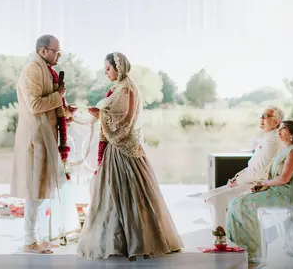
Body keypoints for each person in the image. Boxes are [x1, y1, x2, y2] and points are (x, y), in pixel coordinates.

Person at [77, 52, 183, 261]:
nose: (105, 72)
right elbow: (115, 115)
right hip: (116, 148)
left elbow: (123, 120)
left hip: (123, 149)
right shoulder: (119, 87)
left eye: (108, 68)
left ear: (119, 67)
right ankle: (115, 240)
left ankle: (134, 240)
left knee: (126, 194)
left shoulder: (126, 88)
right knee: (112, 195)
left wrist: (101, 115)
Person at [10, 35, 79, 254]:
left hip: (45, 137)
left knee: (40, 190)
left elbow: (48, 105)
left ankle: (35, 237)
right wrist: (59, 96)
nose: (59, 54)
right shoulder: (33, 69)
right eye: (56, 51)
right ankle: (30, 241)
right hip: (35, 139)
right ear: (42, 51)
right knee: (34, 190)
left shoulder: (45, 69)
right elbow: (35, 104)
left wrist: (65, 113)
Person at [226, 120, 293, 263]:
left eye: (283, 128)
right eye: (279, 128)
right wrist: (260, 184)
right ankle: (237, 247)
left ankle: (252, 250)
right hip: (274, 190)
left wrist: (263, 183)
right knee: (234, 202)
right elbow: (271, 175)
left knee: (243, 204)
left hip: (285, 195)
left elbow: (284, 179)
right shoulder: (284, 150)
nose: (279, 130)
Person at [202, 106, 283, 228]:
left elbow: (260, 172)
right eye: (261, 116)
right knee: (208, 195)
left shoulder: (272, 141)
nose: (261, 119)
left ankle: (222, 239)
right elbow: (252, 166)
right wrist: (237, 178)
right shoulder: (267, 138)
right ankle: (223, 232)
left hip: (259, 185)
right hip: (251, 180)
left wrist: (239, 181)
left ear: (276, 122)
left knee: (217, 200)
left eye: (266, 116)